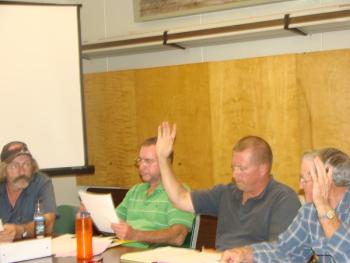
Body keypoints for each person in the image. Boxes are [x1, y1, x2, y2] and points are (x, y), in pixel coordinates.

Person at [156, 122, 301, 251]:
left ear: (263, 169)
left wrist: (242, 256)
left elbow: (281, 252)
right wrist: (163, 160)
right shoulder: (226, 192)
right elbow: (180, 199)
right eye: (233, 167)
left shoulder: (283, 199)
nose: (234, 174)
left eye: (241, 168)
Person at [221, 148, 350, 262]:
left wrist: (324, 208)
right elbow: (284, 251)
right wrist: (244, 254)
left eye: (305, 179)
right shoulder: (309, 212)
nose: (300, 186)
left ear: (327, 179)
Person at [111, 137, 194, 248]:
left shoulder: (179, 193)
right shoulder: (135, 191)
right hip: (123, 251)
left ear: (166, 163)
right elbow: (113, 222)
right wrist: (92, 213)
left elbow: (178, 236)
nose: (142, 166)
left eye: (148, 161)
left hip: (153, 256)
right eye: (140, 160)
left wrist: (136, 235)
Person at [0, 141, 56, 242]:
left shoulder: (41, 182)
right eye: (15, 166)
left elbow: (49, 223)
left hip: (34, 250)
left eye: (26, 164)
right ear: (4, 170)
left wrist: (21, 231)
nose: (22, 171)